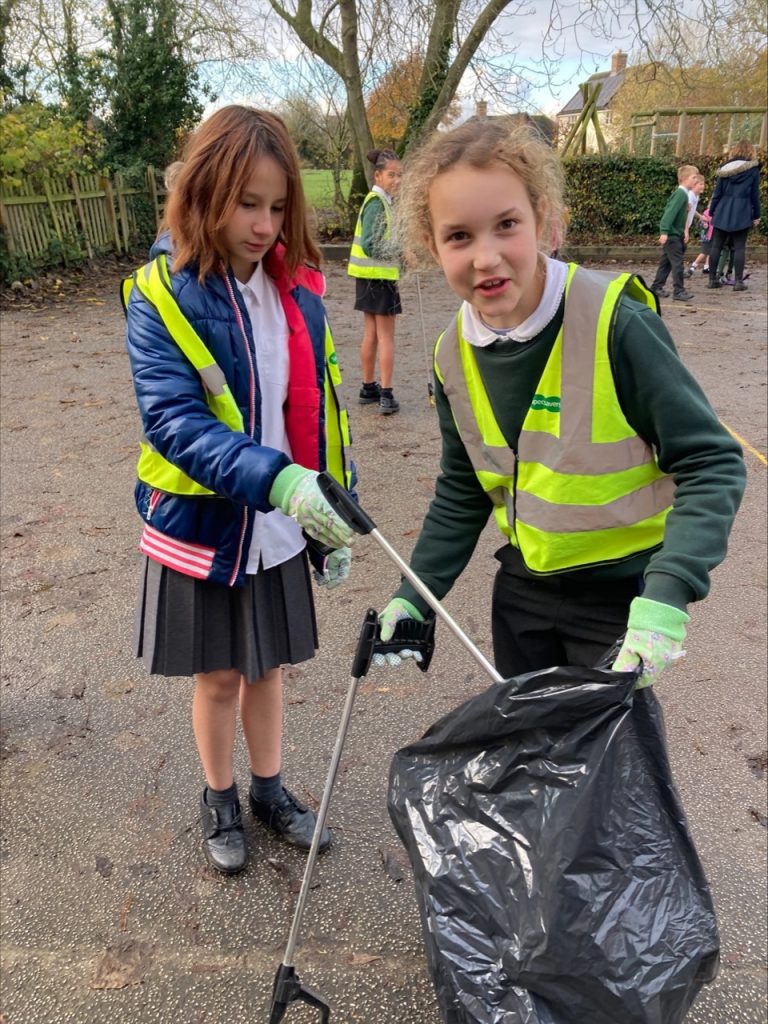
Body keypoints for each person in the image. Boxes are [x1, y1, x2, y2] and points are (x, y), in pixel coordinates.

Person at [374, 119, 745, 691]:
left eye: (506, 226)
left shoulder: (616, 323)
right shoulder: (453, 353)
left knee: (609, 775)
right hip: (524, 594)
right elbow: (462, 486)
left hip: (624, 602)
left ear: (543, 221)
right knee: (527, 763)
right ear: (430, 246)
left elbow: (710, 463)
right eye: (459, 236)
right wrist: (415, 595)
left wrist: (668, 592)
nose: (486, 256)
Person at [123, 105, 357, 876]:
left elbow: (318, 408)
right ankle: (219, 796)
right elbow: (175, 423)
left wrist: (334, 505)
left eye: (278, 205)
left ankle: (269, 790)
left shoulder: (301, 291)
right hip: (209, 521)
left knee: (269, 669)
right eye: (246, 203)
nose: (264, 224)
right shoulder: (160, 295)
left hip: (286, 519)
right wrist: (278, 480)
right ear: (203, 193)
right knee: (220, 674)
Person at [348, 149, 403, 415]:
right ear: (378, 175)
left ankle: (368, 387)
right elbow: (371, 245)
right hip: (380, 278)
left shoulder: (381, 202)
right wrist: (403, 253)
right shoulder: (377, 203)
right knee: (385, 336)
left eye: (400, 175)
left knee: (371, 334)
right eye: (392, 175)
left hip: (367, 277)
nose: (397, 180)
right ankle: (386, 394)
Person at [707, 139, 761, 292]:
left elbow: (717, 194)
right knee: (739, 248)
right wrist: (756, 215)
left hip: (723, 209)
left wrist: (712, 212)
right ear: (751, 151)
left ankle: (712, 280)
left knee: (716, 245)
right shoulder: (753, 170)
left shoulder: (725, 169)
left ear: (734, 151)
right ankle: (738, 282)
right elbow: (754, 196)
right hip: (742, 211)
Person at [650, 163, 699, 302]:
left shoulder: (683, 195)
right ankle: (679, 291)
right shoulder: (680, 195)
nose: (696, 180)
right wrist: (664, 231)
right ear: (684, 179)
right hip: (672, 236)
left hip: (674, 235)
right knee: (677, 264)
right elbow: (669, 214)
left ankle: (656, 286)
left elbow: (677, 213)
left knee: (666, 263)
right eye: (694, 177)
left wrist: (686, 209)